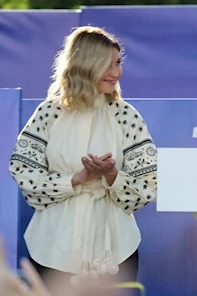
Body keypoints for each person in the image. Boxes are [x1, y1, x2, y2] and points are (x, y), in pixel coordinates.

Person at [8, 26, 157, 288]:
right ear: (85, 65)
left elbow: (147, 185)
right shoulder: (49, 113)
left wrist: (111, 176)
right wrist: (76, 179)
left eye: (118, 63)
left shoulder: (126, 115)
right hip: (52, 246)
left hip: (116, 249)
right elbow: (25, 174)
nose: (117, 72)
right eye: (107, 64)